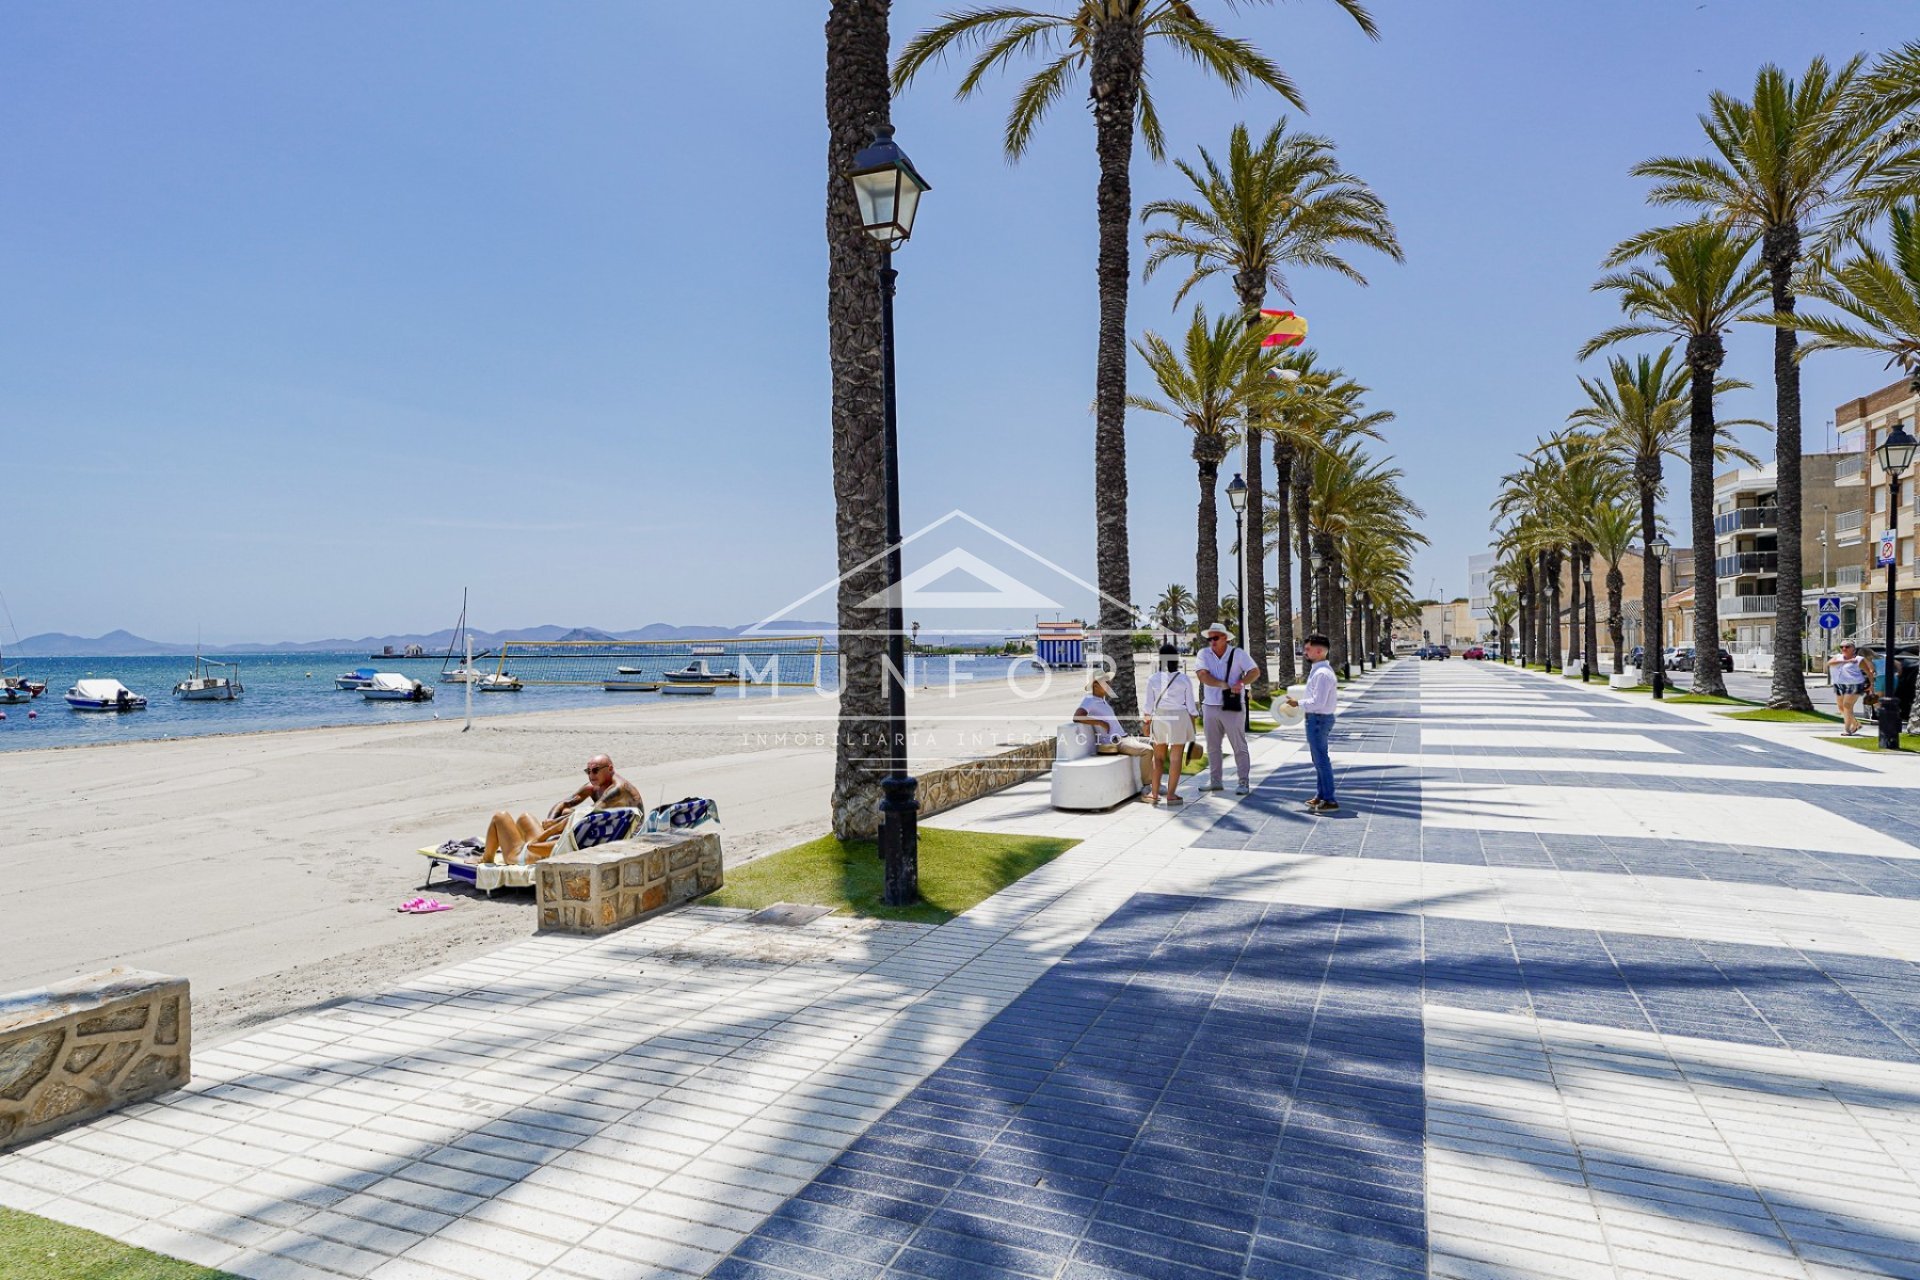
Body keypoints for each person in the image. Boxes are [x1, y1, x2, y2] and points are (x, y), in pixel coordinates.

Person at [482, 755, 644, 865]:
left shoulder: (617, 790)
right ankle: (513, 840)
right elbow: (566, 805)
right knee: (525, 817)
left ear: (610, 768)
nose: (591, 775)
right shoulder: (595, 822)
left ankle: (486, 858)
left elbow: (584, 815)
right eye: (588, 771)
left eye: (595, 770)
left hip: (532, 853)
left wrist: (545, 834)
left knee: (500, 817)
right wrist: (552, 822)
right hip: (571, 839)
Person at [1195, 622, 1262, 795]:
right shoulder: (1204, 654)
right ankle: (1215, 781)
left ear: (1225, 638)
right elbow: (1202, 675)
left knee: (1238, 745)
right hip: (1210, 706)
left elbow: (1254, 672)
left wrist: (1241, 683)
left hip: (1232, 705)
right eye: (1210, 638)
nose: (1212, 641)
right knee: (1213, 746)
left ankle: (1243, 782)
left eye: (1215, 638)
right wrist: (1222, 684)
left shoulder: (1238, 654)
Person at [1287, 632, 1339, 812]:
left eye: (1308, 649)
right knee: (1318, 760)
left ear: (1319, 651)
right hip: (1317, 719)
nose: (1305, 652)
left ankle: (1330, 800)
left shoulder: (1322, 674)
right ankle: (1321, 795)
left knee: (1321, 760)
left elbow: (1318, 702)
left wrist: (1297, 703)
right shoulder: (1319, 671)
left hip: (1319, 719)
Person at [1073, 674, 1153, 791]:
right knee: (1147, 750)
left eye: (1109, 683)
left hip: (1126, 737)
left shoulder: (1102, 701)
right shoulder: (1090, 700)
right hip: (1117, 741)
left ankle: (1157, 783)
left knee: (1156, 743)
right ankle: (1147, 786)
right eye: (1106, 683)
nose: (1110, 686)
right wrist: (1100, 722)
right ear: (1095, 685)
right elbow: (1077, 717)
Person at [1142, 643, 1198, 806]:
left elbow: (1148, 706)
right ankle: (1171, 795)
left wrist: (1146, 724)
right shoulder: (1184, 678)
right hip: (1180, 718)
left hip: (1160, 717)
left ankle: (1154, 794)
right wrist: (1192, 727)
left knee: (1158, 758)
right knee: (1176, 758)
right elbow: (1191, 707)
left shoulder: (1153, 679)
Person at [1827, 641, 1874, 736]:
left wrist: (1871, 685)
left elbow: (1869, 672)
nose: (1844, 649)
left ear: (1853, 649)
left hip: (1855, 684)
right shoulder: (1838, 657)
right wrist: (1846, 661)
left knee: (1847, 705)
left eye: (1847, 646)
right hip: (1840, 684)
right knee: (1841, 707)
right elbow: (1829, 663)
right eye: (1842, 647)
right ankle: (1856, 724)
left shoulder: (1859, 659)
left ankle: (1847, 730)